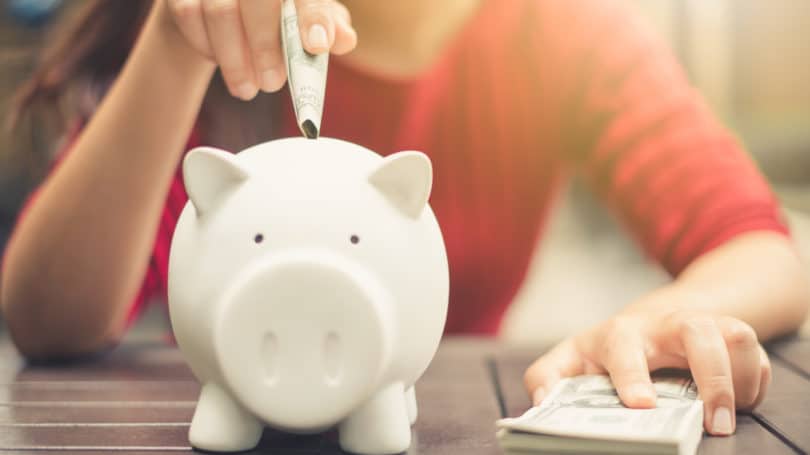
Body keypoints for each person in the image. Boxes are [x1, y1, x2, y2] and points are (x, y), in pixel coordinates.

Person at [1, 0, 808, 438]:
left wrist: (649, 325)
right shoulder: (222, 33)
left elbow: (758, 242)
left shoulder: (559, 29)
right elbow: (47, 317)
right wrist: (175, 46)